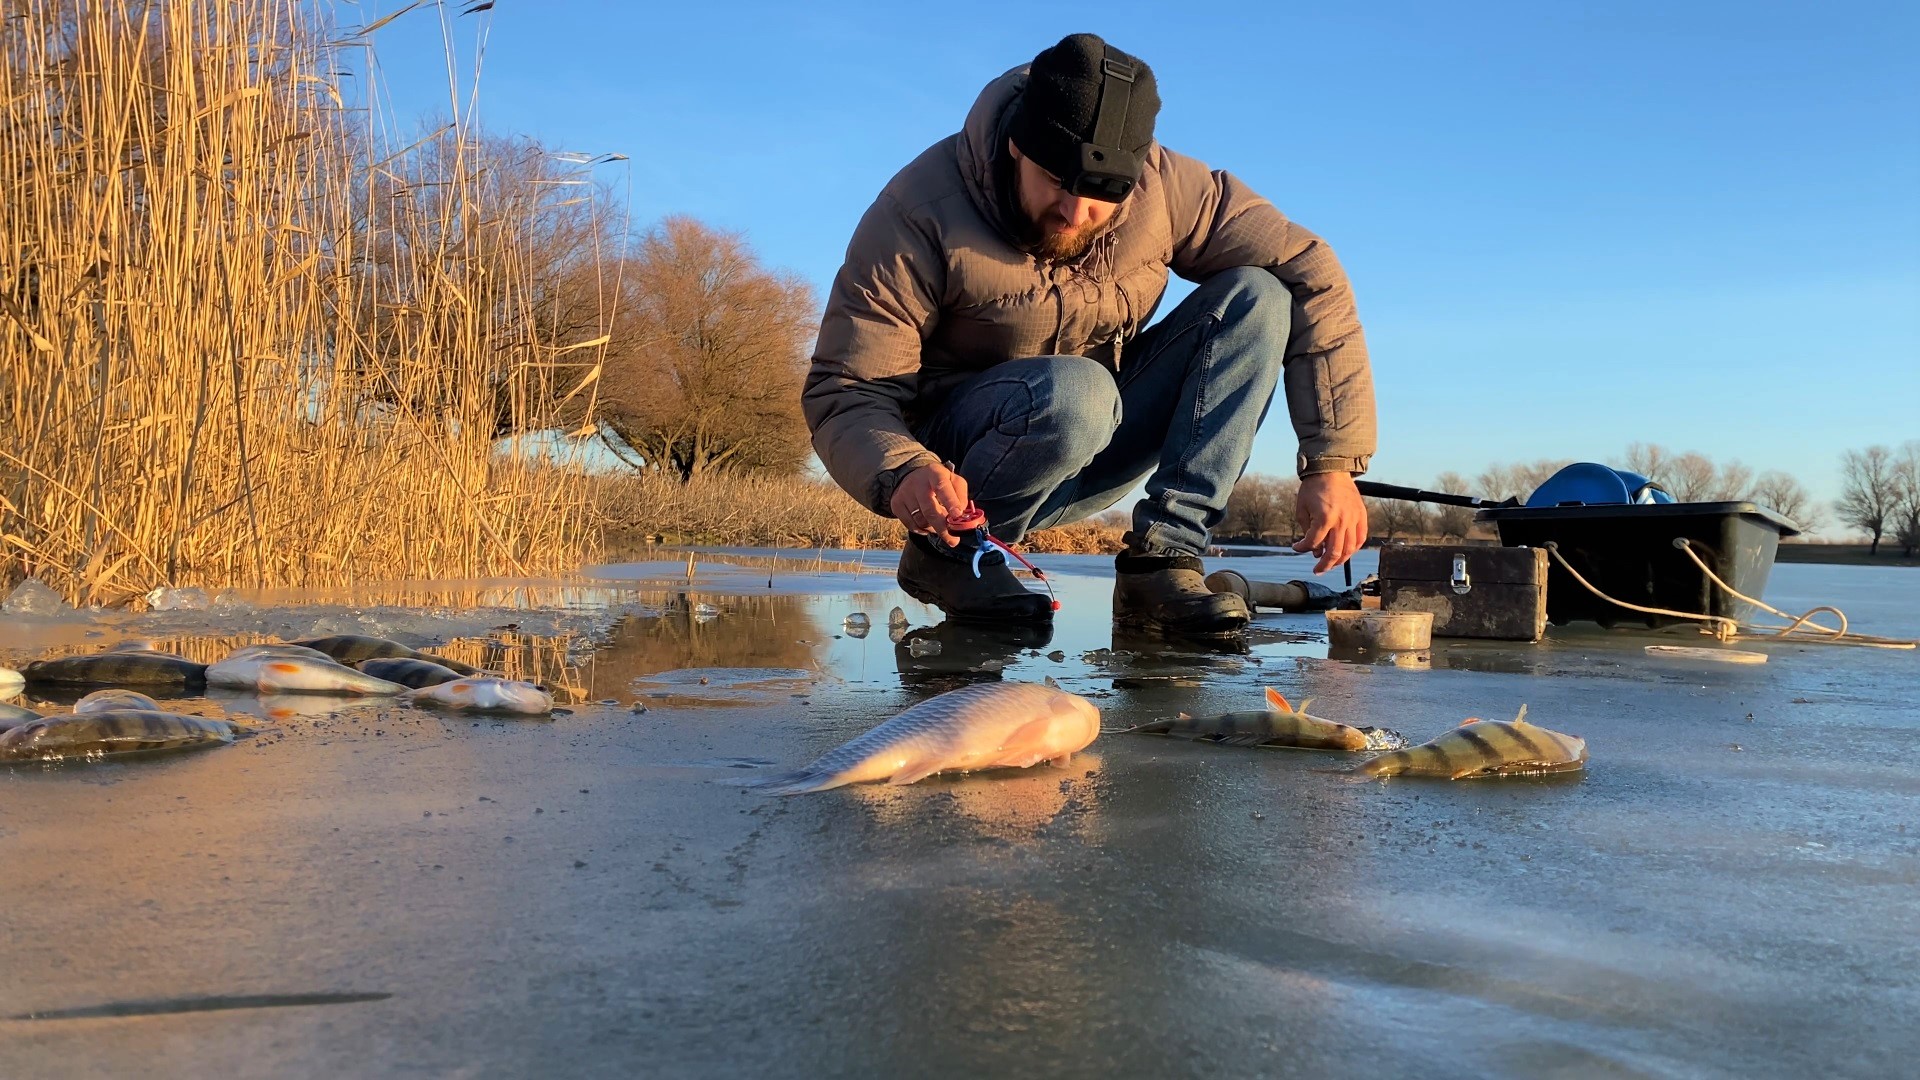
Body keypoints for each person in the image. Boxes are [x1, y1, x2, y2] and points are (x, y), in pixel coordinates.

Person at [803, 32, 1375, 637]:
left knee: (1259, 297)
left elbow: (1313, 268)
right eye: (1056, 180)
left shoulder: (1169, 190)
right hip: (957, 473)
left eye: (1104, 193)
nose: (1076, 214)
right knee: (1079, 392)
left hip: (1096, 430)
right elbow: (846, 390)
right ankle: (950, 556)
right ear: (1019, 147)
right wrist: (905, 472)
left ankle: (1163, 560)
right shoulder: (918, 211)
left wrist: (1332, 463)